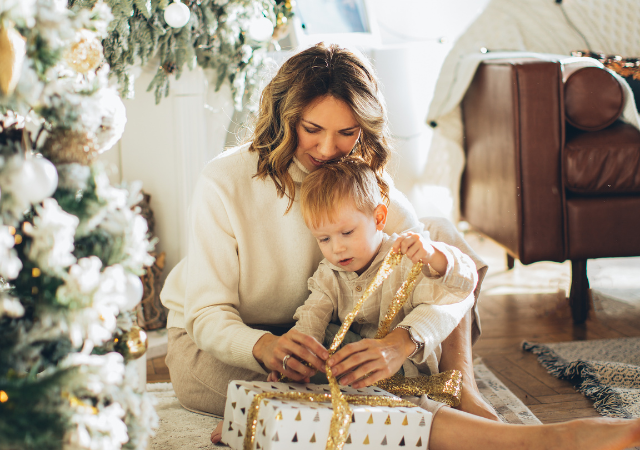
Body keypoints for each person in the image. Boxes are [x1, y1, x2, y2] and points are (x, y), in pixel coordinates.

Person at [160, 41, 495, 424]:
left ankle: (462, 387)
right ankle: (429, 416)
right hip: (228, 341)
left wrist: (400, 343)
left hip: (327, 331)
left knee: (441, 238)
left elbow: (452, 287)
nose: (327, 148)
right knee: (341, 401)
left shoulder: (360, 176)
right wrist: (265, 346)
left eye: (346, 132)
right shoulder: (223, 181)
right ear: (285, 119)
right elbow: (206, 316)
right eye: (312, 129)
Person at [213, 157, 640, 450]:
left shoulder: (403, 255)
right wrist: (291, 364)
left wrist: (434, 257)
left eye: (346, 233)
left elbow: (458, 283)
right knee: (319, 405)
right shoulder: (329, 275)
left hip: (408, 376)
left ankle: (569, 437)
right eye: (323, 239)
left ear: (379, 219)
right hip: (355, 380)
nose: (336, 248)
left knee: (415, 414)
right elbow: (310, 319)